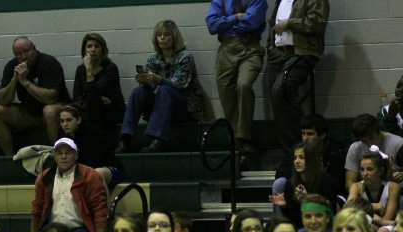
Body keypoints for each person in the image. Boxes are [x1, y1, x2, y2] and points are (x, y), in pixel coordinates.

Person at [21, 137, 107, 232]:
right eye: (59, 153)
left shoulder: (90, 175)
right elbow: (37, 209)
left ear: (76, 155)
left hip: (80, 228)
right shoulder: (44, 177)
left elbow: (99, 209)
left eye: (68, 152)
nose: (63, 156)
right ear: (54, 156)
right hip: (51, 228)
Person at [116, 20, 206, 153]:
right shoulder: (153, 59)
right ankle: (125, 138)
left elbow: (181, 83)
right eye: (159, 35)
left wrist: (159, 80)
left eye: (166, 34)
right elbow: (152, 87)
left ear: (174, 37)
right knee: (138, 91)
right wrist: (144, 80)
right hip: (163, 105)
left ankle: (158, 139)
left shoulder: (185, 56)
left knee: (165, 89)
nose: (162, 38)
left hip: (185, 107)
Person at [266, 0, 329, 156]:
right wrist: (270, 47)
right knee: (277, 98)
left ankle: (296, 148)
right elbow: (271, 24)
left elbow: (317, 22)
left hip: (302, 52)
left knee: (280, 90)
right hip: (278, 53)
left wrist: (290, 23)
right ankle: (292, 148)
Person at [0, 36, 71, 157]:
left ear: (34, 48)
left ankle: (59, 156)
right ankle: (10, 158)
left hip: (56, 109)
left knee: (49, 110)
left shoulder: (49, 62)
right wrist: (15, 79)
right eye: (18, 54)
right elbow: (3, 100)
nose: (23, 57)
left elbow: (51, 98)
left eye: (26, 51)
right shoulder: (12, 66)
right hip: (29, 112)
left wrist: (25, 82)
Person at [206, 0, 267, 155]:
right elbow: (212, 25)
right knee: (226, 92)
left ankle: (244, 137)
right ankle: (236, 140)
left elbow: (252, 22)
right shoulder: (220, 1)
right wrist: (236, 17)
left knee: (244, 85)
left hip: (250, 48)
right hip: (226, 49)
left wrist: (225, 24)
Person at [70, 33, 124, 140]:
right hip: (90, 108)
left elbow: (97, 90)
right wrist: (98, 97)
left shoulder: (110, 68)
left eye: (97, 46)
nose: (93, 49)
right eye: (89, 46)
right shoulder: (80, 69)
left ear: (103, 50)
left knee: (93, 101)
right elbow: (77, 96)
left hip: (111, 108)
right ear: (84, 50)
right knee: (90, 103)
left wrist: (89, 71)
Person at [58, 105, 125, 189]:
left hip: (107, 168)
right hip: (81, 171)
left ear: (78, 120)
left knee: (96, 174)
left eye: (69, 120)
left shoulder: (92, 132)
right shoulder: (62, 135)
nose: (65, 124)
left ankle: (101, 202)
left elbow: (98, 161)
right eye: (62, 121)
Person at [272, 139, 337, 224]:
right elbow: (294, 220)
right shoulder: (290, 184)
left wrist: (307, 200)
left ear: (312, 160)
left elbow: (329, 215)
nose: (297, 161)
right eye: (295, 158)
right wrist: (286, 206)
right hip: (300, 227)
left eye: (302, 157)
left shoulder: (327, 182)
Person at [344, 114, 403, 189]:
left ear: (378, 131)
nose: (370, 143)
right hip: (366, 193)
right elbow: (349, 182)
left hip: (396, 190)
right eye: (365, 141)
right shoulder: (355, 148)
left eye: (372, 138)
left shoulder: (398, 143)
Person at [346, 150, 401, 232]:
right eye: (362, 169)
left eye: (369, 169)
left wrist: (362, 208)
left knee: (381, 231)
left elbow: (386, 219)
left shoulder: (392, 187)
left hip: (386, 227)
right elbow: (348, 209)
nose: (364, 174)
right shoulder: (356, 187)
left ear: (380, 171)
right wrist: (373, 206)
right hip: (362, 225)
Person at [300, 114, 348, 196]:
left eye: (310, 134)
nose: (305, 138)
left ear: (322, 135)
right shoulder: (299, 149)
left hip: (330, 193)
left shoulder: (336, 152)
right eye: (303, 134)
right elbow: (282, 172)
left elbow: (335, 183)